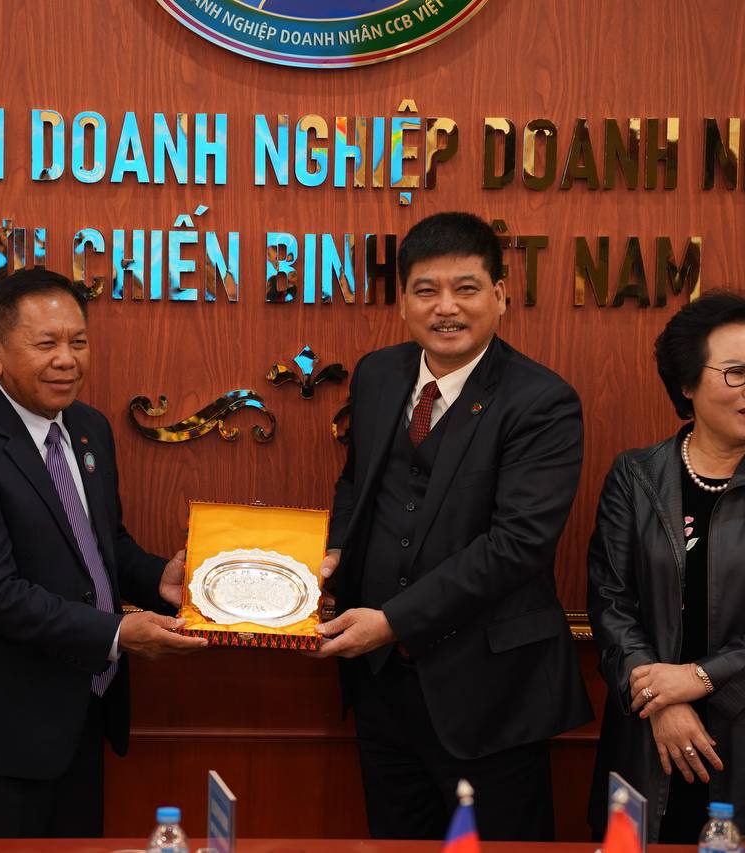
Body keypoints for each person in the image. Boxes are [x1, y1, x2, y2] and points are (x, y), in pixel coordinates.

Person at [315, 211, 592, 840]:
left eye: (466, 288)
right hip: (382, 684)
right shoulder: (378, 374)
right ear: (402, 301)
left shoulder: (542, 401)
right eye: (426, 290)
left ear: (500, 295)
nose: (446, 308)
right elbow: (357, 483)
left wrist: (392, 620)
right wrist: (334, 555)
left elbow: (516, 545)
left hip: (489, 692)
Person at [0, 267, 206, 839]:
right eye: (46, 343)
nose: (67, 360)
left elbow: (103, 544)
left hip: (80, 716)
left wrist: (160, 580)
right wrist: (116, 633)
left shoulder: (88, 427)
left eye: (78, 341)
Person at [587, 291, 745, 844]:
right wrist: (661, 703)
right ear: (687, 384)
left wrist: (696, 679)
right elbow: (610, 603)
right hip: (649, 735)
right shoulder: (635, 476)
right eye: (736, 373)